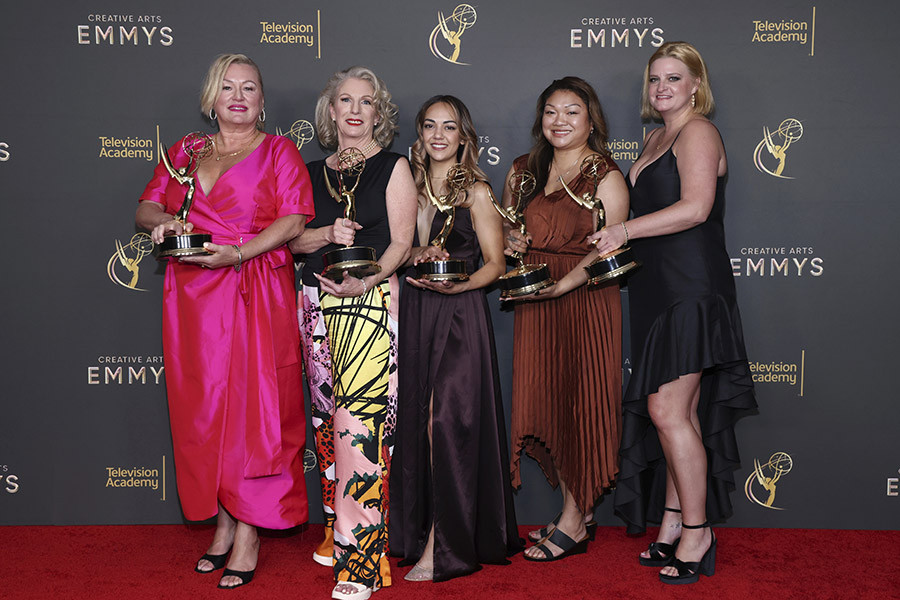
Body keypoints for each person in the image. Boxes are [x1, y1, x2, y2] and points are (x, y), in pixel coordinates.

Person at [135, 53, 313, 589]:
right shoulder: (185, 152)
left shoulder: (280, 151)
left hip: (254, 285)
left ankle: (249, 530)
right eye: (228, 87)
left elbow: (294, 220)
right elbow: (145, 208)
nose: (238, 97)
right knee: (204, 411)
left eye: (249, 88)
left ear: (262, 100)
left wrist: (238, 253)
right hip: (192, 297)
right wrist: (165, 223)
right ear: (211, 97)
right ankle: (223, 521)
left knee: (253, 411)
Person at [590, 41, 757, 584]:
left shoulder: (699, 131)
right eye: (655, 79)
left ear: (695, 85)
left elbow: (697, 207)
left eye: (674, 78)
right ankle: (671, 522)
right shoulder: (655, 137)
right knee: (677, 413)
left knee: (666, 411)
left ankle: (698, 531)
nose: (662, 87)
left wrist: (624, 230)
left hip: (691, 286)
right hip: (654, 288)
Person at [288, 66, 417, 600]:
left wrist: (366, 280)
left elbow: (402, 243)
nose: (356, 110)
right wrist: (323, 234)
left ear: (378, 113)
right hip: (313, 307)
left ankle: (362, 560)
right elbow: (293, 241)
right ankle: (333, 529)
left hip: (368, 303)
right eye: (346, 100)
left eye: (367, 101)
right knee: (325, 423)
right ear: (331, 111)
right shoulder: (309, 170)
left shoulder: (393, 166)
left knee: (359, 428)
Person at [388, 95, 522, 582]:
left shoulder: (478, 192)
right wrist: (417, 254)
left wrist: (461, 286)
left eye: (449, 127)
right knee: (415, 424)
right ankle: (420, 531)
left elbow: (496, 263)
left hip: (460, 314)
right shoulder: (409, 184)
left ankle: (442, 545)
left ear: (464, 136)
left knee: (444, 424)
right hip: (416, 310)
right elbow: (399, 249)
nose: (438, 135)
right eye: (430, 126)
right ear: (419, 133)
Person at [502, 77, 628, 562]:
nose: (560, 121)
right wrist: (511, 242)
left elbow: (610, 249)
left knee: (581, 404)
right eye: (551, 111)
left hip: (586, 297)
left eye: (572, 111)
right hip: (538, 300)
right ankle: (578, 512)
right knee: (550, 400)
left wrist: (565, 285)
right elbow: (508, 230)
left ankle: (575, 520)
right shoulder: (523, 170)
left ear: (591, 120)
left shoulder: (606, 176)